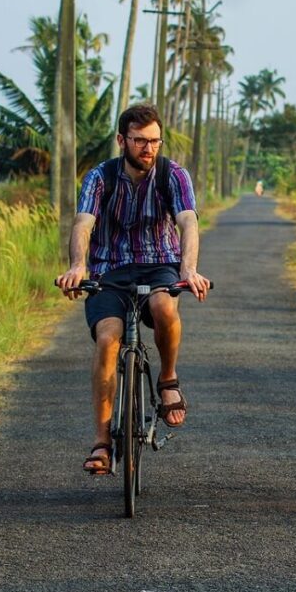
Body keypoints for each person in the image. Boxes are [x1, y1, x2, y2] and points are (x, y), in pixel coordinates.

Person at [55, 104, 211, 475]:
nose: (148, 149)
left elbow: (188, 221)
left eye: (155, 141)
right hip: (110, 268)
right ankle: (101, 442)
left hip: (160, 263)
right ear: (122, 140)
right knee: (108, 339)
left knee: (163, 307)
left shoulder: (173, 175)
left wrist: (188, 269)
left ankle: (168, 378)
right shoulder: (100, 177)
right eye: (140, 141)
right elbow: (83, 223)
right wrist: (78, 265)